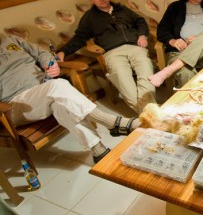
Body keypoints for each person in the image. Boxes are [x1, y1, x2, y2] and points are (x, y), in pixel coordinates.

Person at [0, 34, 142, 163]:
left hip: (43, 91)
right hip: (14, 105)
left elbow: (41, 53)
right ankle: (110, 122)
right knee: (58, 86)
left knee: (61, 105)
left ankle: (98, 150)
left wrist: (50, 63)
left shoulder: (11, 39)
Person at [57, 0, 156, 113]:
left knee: (147, 74)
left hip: (135, 47)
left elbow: (140, 21)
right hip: (113, 53)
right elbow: (79, 38)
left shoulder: (122, 9)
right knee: (124, 82)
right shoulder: (89, 17)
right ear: (91, 0)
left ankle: (149, 115)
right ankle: (151, 113)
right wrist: (64, 51)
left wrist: (142, 35)